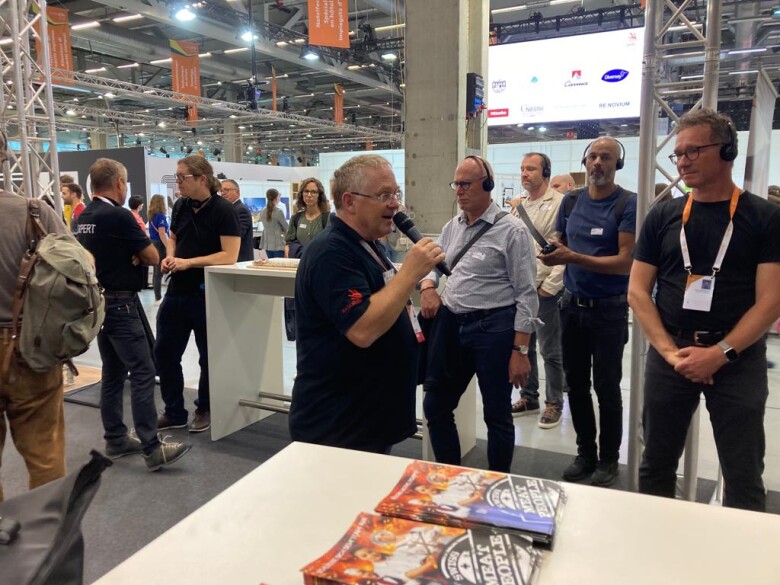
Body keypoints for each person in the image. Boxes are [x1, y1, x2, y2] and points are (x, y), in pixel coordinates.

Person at [629, 108, 780, 511]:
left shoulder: (764, 217)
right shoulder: (663, 215)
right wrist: (668, 353)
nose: (683, 161)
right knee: (656, 465)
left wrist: (719, 353)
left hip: (737, 359)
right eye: (678, 153)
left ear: (727, 151)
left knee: (743, 473)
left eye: (693, 151)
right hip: (672, 356)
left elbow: (771, 301)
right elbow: (638, 292)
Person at [288, 154, 444, 454]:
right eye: (384, 195)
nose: (395, 204)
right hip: (338, 425)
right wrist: (410, 273)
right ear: (350, 201)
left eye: (396, 194)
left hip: (366, 416)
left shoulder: (367, 243)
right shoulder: (331, 252)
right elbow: (362, 329)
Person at [420, 155, 538, 473]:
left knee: (496, 414)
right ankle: (450, 476)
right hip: (451, 324)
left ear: (487, 185)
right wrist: (428, 286)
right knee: (435, 405)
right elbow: (433, 265)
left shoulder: (512, 231)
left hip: (494, 329)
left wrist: (520, 351)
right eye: (456, 184)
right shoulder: (452, 227)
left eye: (465, 184)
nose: (459, 191)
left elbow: (527, 295)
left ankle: (495, 482)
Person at [76, 158, 191, 471]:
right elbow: (152, 255)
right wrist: (137, 255)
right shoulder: (119, 216)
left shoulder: (84, 216)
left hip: (100, 304)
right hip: (121, 304)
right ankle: (152, 447)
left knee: (113, 372)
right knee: (142, 371)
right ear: (118, 184)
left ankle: (116, 438)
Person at [540, 136, 637, 487]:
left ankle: (609, 459)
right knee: (577, 386)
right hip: (571, 307)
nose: (598, 163)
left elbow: (625, 263)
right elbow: (563, 242)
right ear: (585, 161)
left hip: (609, 312)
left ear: (617, 164)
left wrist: (573, 258)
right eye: (593, 156)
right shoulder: (571, 201)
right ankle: (585, 453)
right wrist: (554, 251)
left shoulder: (627, 203)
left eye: (606, 157)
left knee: (607, 388)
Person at [0, 131, 69, 501]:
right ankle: (47, 529)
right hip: (31, 346)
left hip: (29, 345)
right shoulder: (34, 213)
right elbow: (81, 271)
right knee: (45, 454)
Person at [155, 155, 240, 433]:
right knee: (165, 353)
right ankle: (174, 411)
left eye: (182, 177)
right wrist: (170, 256)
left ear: (202, 179)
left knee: (207, 356)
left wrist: (189, 263)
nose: (177, 182)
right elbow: (174, 238)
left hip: (207, 294)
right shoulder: (180, 205)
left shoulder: (223, 210)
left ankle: (205, 408)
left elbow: (230, 255)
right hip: (177, 289)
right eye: (177, 177)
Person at [510, 153, 566, 429]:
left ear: (545, 173)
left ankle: (554, 402)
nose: (524, 173)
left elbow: (565, 247)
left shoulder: (560, 203)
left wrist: (550, 287)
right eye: (522, 169)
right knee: (524, 346)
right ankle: (529, 397)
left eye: (531, 169)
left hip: (544, 289)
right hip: (521, 290)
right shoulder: (518, 206)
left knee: (550, 350)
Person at [284, 177, 330, 258]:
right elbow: (288, 244)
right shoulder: (296, 218)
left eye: (313, 192)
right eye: (306, 191)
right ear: (302, 194)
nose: (309, 195)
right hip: (299, 262)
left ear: (319, 195)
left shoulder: (327, 218)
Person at [220, 179, 254, 262]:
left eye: (226, 190)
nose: (223, 193)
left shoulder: (240, 210)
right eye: (221, 191)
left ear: (237, 192)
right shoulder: (229, 209)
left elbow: (238, 234)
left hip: (239, 259)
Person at [148, 194, 169, 303]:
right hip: (159, 244)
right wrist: (168, 246)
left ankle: (157, 295)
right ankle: (158, 297)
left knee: (156, 270)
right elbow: (162, 233)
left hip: (153, 243)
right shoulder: (160, 217)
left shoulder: (151, 216)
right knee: (159, 272)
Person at [259, 188, 288, 258]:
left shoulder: (262, 211)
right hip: (278, 244)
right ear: (276, 198)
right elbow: (286, 228)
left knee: (271, 264)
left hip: (267, 244)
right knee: (279, 264)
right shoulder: (278, 211)